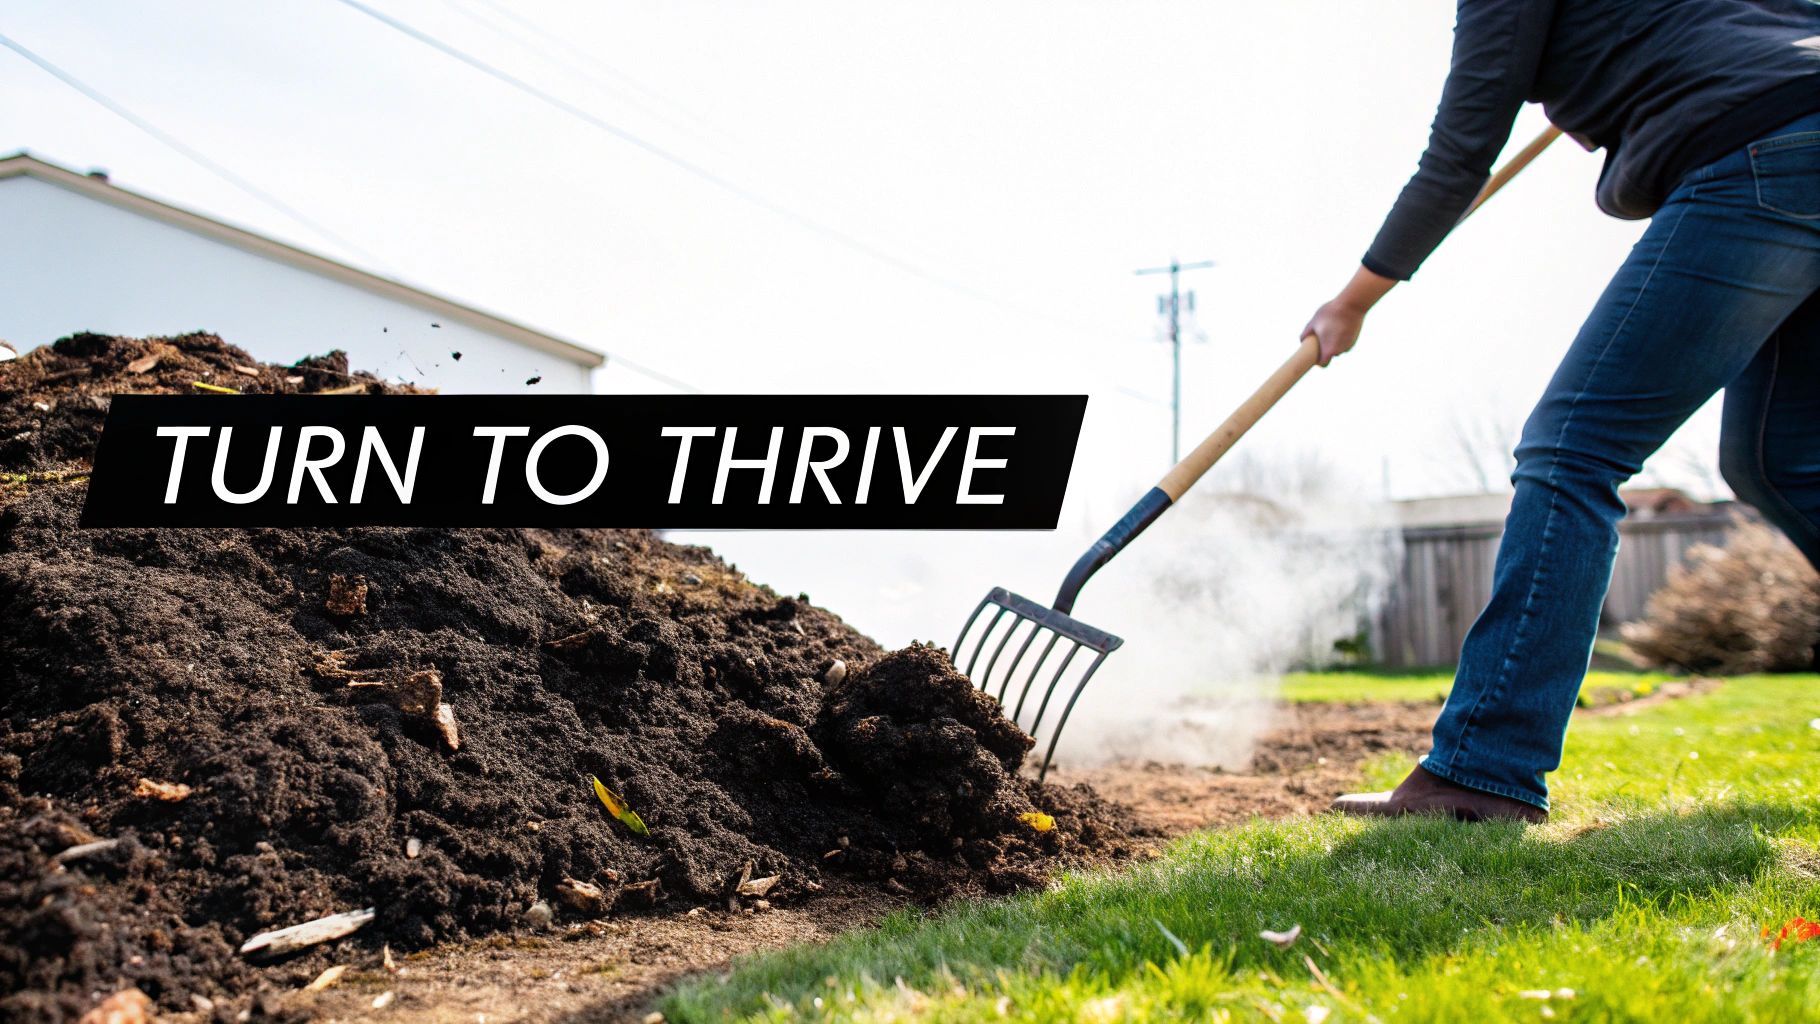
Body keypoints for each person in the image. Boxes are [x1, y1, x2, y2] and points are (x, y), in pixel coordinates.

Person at [1319, 0, 1820, 823]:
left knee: (1572, 452)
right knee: (1778, 461)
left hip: (1757, 153)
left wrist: (1354, 299)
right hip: (1794, 125)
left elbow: (1460, 152)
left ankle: (1481, 769)